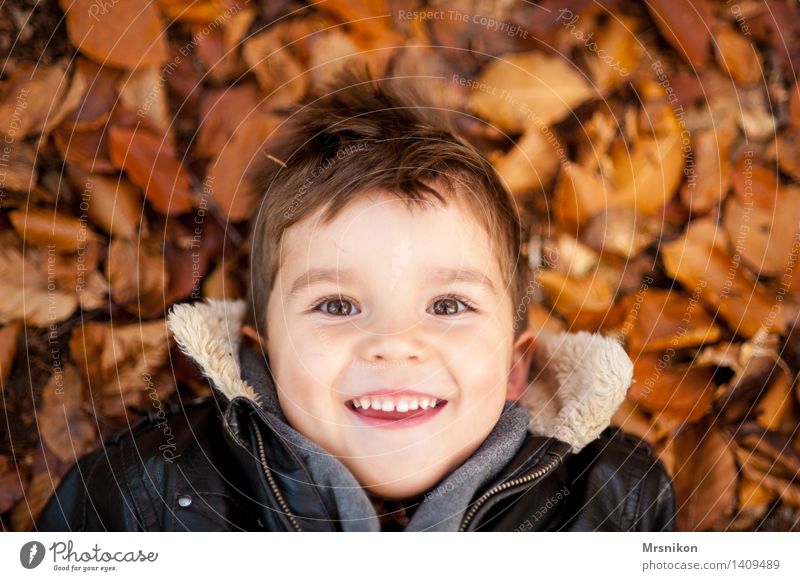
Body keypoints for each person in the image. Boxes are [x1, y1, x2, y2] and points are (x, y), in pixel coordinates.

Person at [36, 66, 675, 532]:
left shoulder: (613, 501)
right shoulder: (144, 495)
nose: (395, 343)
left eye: (448, 305)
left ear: (515, 367)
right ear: (264, 360)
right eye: (338, 306)